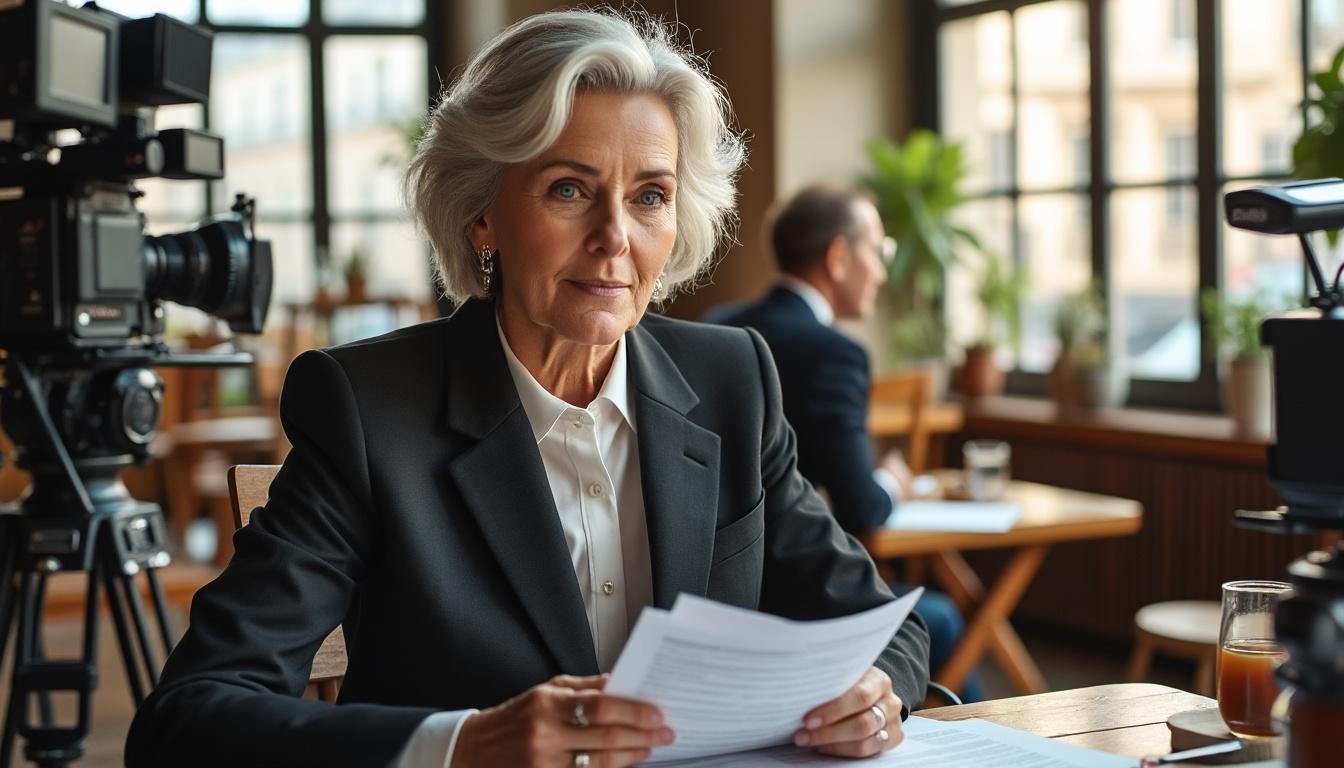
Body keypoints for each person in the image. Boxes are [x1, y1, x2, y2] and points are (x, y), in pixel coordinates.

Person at [125, 11, 929, 768]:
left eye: (650, 196)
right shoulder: (368, 410)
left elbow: (884, 627)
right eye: (570, 188)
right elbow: (188, 718)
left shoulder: (733, 380)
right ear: (483, 214)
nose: (615, 237)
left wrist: (874, 692)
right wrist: (464, 746)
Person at [715, 185, 982, 702]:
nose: (882, 272)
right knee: (942, 617)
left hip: (713, 592)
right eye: (878, 252)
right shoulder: (835, 354)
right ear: (838, 257)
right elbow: (863, 508)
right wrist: (893, 482)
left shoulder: (716, 328)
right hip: (788, 598)